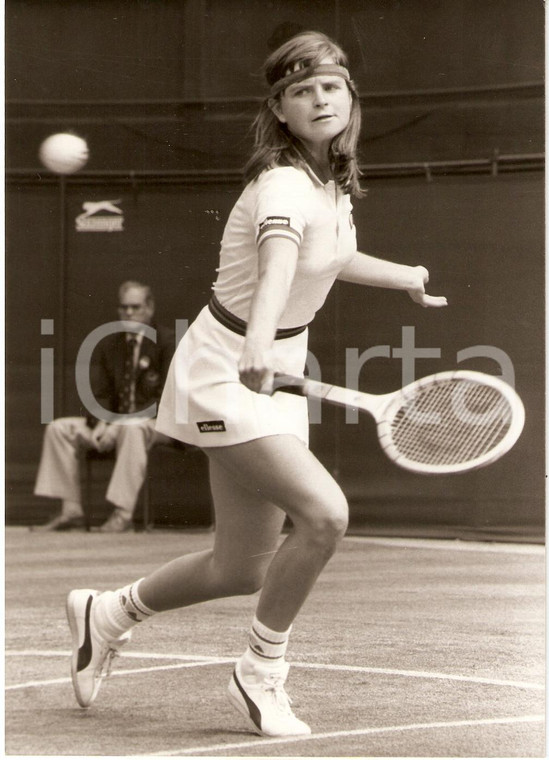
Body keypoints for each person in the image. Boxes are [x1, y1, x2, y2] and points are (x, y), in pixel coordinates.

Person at [66, 32, 447, 735]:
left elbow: (330, 254)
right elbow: (277, 266)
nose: (318, 99)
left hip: (274, 363)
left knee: (240, 566)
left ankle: (107, 612)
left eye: (329, 86)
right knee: (324, 516)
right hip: (229, 365)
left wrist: (406, 279)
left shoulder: (328, 180)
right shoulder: (280, 183)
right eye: (301, 92)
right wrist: (258, 345)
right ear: (280, 110)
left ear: (349, 97)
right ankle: (261, 671)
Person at [34, 280, 174, 533]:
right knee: (59, 428)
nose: (129, 313)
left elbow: (166, 399)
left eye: (135, 307)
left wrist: (118, 424)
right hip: (115, 424)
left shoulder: (166, 341)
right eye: (124, 308)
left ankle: (123, 515)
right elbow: (101, 394)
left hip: (157, 425)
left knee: (132, 429)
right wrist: (101, 423)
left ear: (149, 308)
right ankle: (71, 509)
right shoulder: (111, 345)